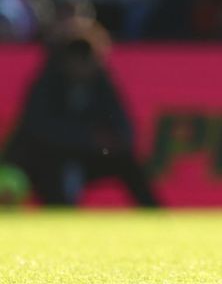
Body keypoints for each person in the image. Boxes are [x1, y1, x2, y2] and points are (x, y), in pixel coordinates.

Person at [3, 17, 160, 207]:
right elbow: (38, 126)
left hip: (85, 156)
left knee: (127, 163)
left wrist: (114, 141)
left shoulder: (102, 83)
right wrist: (89, 137)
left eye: (85, 56)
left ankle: (155, 215)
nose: (80, 63)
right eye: (75, 55)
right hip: (46, 158)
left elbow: (123, 125)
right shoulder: (47, 81)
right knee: (53, 169)